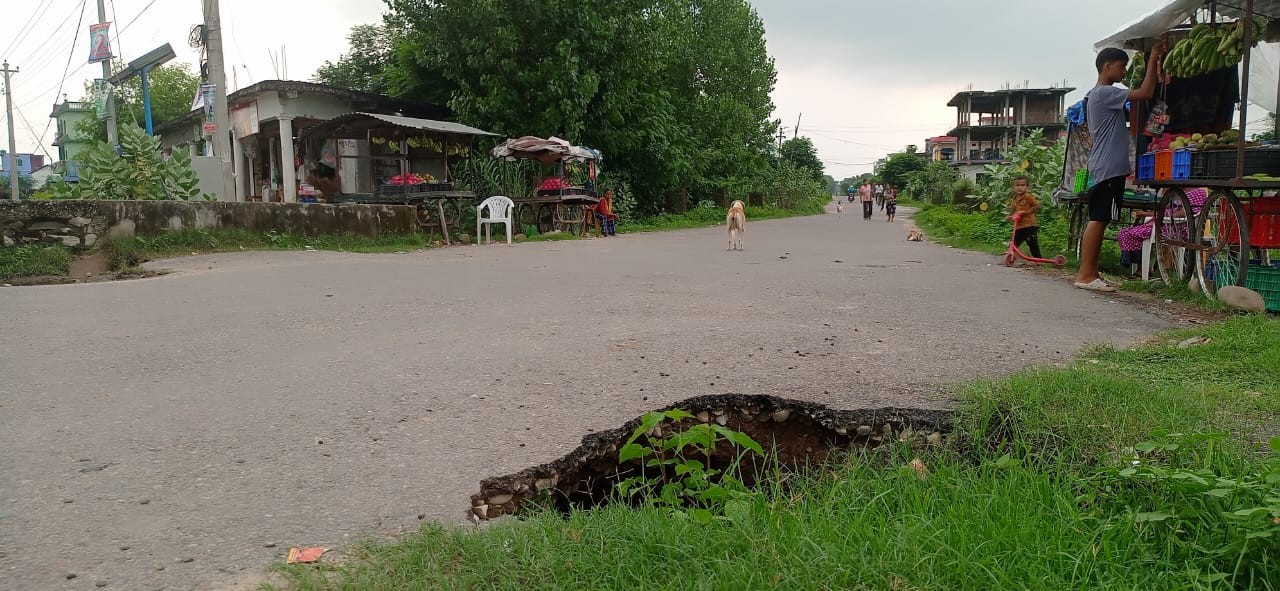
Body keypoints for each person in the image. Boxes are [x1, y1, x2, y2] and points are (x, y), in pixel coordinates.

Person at [1076, 42, 1164, 292]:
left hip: (1105, 166)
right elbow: (1145, 93)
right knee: (1099, 220)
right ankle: (1085, 275)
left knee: (1100, 219)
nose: (1124, 71)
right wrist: (1154, 55)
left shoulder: (1098, 95)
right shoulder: (1105, 92)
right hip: (1108, 168)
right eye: (1121, 66)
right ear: (1107, 67)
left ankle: (1091, 273)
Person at [1008, 175, 1042, 259]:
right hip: (1019, 226)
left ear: (1027, 187)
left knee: (1032, 244)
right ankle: (1011, 255)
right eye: (1017, 185)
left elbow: (1036, 205)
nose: (1019, 188)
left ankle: (1037, 259)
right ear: (1013, 187)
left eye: (1022, 185)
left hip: (1029, 226)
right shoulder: (1015, 198)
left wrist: (1026, 212)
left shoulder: (1028, 197)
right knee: (1014, 242)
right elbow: (1013, 209)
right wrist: (1010, 216)